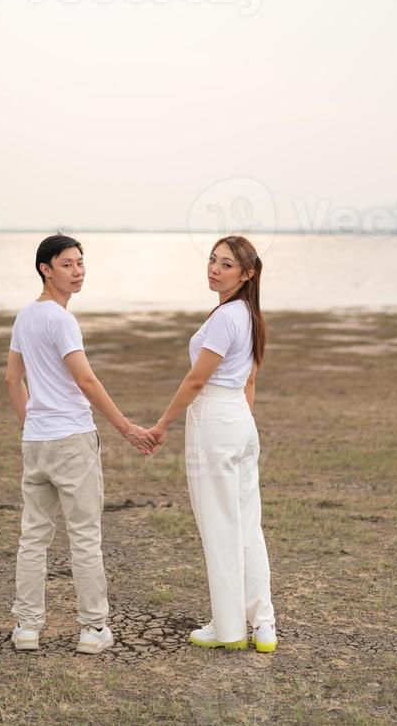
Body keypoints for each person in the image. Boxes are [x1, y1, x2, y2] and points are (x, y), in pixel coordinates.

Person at [5, 233, 156, 655]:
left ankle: (27, 628)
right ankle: (93, 629)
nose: (78, 271)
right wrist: (126, 427)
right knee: (84, 537)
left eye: (80, 263)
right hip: (71, 440)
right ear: (45, 269)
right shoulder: (60, 319)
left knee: (33, 537)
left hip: (36, 442)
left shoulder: (24, 316)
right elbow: (85, 379)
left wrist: (31, 423)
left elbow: (12, 379)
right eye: (67, 264)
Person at [150, 235, 277, 653]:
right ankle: (264, 626)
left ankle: (229, 630)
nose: (215, 268)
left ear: (247, 273)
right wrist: (241, 425)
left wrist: (163, 422)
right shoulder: (251, 315)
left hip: (217, 420)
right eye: (212, 260)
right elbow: (251, 380)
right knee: (246, 525)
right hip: (239, 421)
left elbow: (197, 379)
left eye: (226, 264)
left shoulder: (227, 317)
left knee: (221, 527)